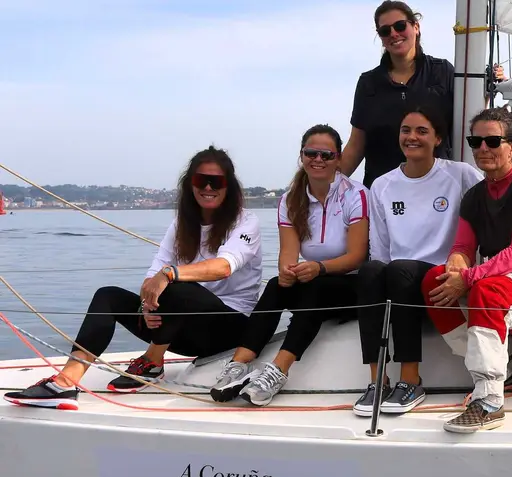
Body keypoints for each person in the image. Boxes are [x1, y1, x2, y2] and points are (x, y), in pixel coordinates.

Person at [3, 146, 263, 409]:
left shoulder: (245, 222)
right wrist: (146, 305)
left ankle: (152, 362)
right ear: (190, 184)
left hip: (229, 328)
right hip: (182, 328)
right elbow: (153, 275)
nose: (208, 187)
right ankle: (66, 381)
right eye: (200, 180)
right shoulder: (181, 225)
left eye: (216, 181)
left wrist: (169, 275)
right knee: (108, 295)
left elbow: (223, 267)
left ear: (229, 186)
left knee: (178, 286)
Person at [423, 107, 512, 433]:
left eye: (492, 140)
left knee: (486, 289)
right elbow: (462, 248)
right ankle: (509, 358)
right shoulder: (474, 197)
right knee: (433, 279)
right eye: (476, 141)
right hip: (498, 278)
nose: (482, 148)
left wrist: (469, 277)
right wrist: (457, 268)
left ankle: (489, 399)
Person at [210, 126, 370, 406]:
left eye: (326, 154)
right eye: (311, 153)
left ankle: (279, 369)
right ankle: (240, 363)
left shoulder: (356, 195)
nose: (317, 159)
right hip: (317, 280)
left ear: (338, 158)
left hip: (356, 285)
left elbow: (356, 256)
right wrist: (287, 271)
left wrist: (318, 268)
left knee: (316, 286)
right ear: (301, 156)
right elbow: (289, 253)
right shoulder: (290, 199)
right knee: (275, 285)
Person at [353, 105, 484, 416]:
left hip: (437, 277)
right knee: (372, 270)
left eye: (421, 131)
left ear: (438, 138)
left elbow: (495, 193)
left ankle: (411, 379)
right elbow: (381, 246)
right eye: (406, 131)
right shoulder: (383, 185)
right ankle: (378, 380)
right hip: (398, 278)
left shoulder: (460, 174)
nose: (412, 137)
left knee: (400, 270)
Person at [340, 0, 505, 187]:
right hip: (383, 193)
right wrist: (324, 187)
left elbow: (470, 121)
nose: (394, 34)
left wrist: (484, 90)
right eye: (385, 31)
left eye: (400, 26)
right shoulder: (368, 83)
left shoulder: (443, 72)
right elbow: (356, 146)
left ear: (416, 27)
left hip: (439, 191)